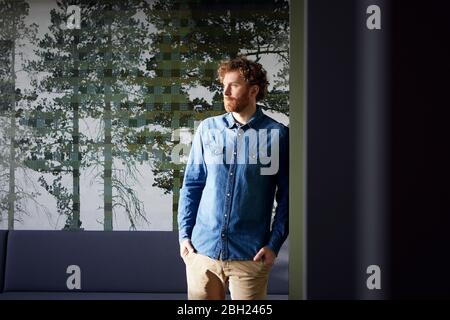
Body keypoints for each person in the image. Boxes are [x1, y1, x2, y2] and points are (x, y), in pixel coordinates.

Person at [178, 56, 289, 300]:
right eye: (224, 86)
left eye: (234, 85)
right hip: (202, 254)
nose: (225, 92)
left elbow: (288, 198)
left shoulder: (278, 135)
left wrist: (274, 244)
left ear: (253, 90)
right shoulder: (208, 129)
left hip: (250, 257)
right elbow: (192, 185)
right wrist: (184, 235)